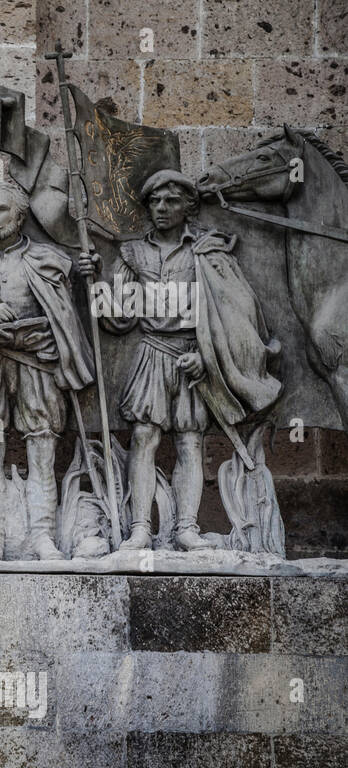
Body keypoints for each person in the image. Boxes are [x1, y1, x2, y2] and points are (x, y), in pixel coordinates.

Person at [76, 169, 281, 551]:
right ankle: (140, 527)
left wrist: (208, 357)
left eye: (170, 201)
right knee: (144, 435)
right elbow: (120, 318)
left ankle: (186, 527)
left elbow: (237, 314)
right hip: (152, 352)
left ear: (188, 206)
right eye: (154, 202)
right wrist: (95, 280)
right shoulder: (133, 253)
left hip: (192, 354)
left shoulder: (207, 251)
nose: (161, 208)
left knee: (190, 441)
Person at [0, 181, 95, 560]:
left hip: (35, 364)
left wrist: (95, 271)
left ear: (20, 217)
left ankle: (43, 537)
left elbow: (67, 316)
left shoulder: (49, 261)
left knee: (42, 447)